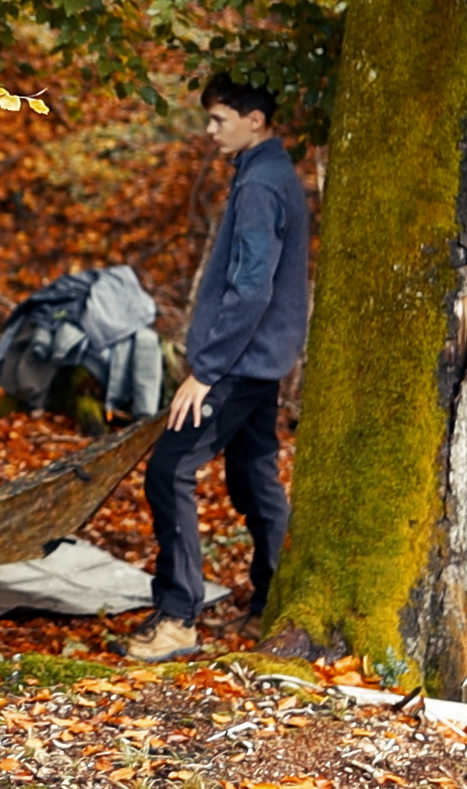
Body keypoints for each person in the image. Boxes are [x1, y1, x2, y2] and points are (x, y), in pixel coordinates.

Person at [117, 77, 309, 662]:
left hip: (238, 365)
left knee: (169, 471)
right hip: (260, 360)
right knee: (253, 477)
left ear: (255, 120)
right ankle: (271, 602)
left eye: (220, 119)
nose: (210, 130)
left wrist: (207, 370)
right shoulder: (270, 174)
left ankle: (177, 618)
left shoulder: (260, 185)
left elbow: (250, 289)